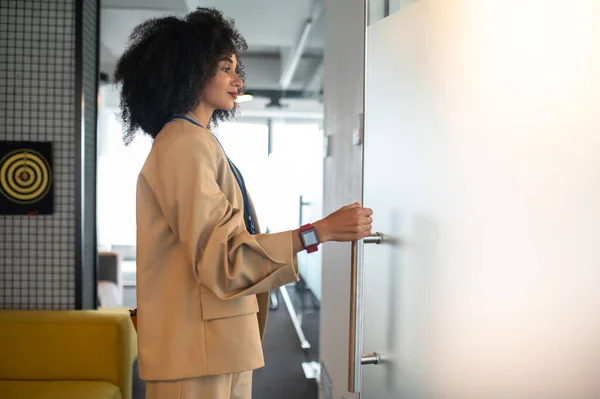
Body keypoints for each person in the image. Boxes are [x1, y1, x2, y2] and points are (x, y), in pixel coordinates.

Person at [114, 7, 374, 399]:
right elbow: (223, 261)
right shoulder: (184, 145)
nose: (238, 80)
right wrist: (317, 232)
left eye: (238, 69)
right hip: (197, 352)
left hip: (211, 347)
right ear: (190, 70)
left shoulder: (195, 142)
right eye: (225, 68)